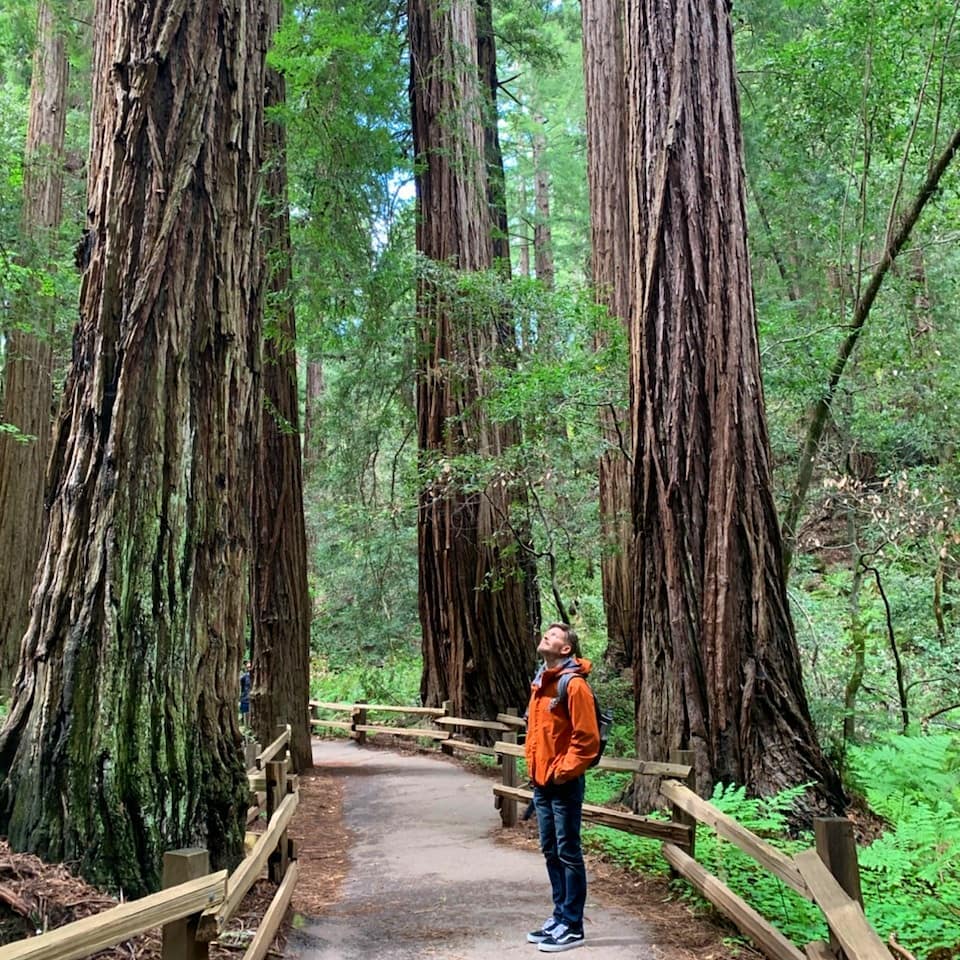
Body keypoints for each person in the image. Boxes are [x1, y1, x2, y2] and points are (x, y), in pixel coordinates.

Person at [524, 622, 600, 953]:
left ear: (566, 649)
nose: (547, 636)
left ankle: (573, 924)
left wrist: (561, 772)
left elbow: (587, 740)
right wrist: (537, 770)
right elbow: (539, 735)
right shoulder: (541, 683)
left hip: (563, 784)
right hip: (543, 783)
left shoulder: (574, 686)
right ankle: (559, 916)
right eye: (547, 633)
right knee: (551, 850)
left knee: (568, 852)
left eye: (554, 636)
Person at [239, 660, 251, 727]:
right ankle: (246, 726)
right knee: (245, 711)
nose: (249, 669)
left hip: (251, 697)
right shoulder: (244, 677)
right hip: (245, 697)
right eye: (248, 667)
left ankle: (249, 726)